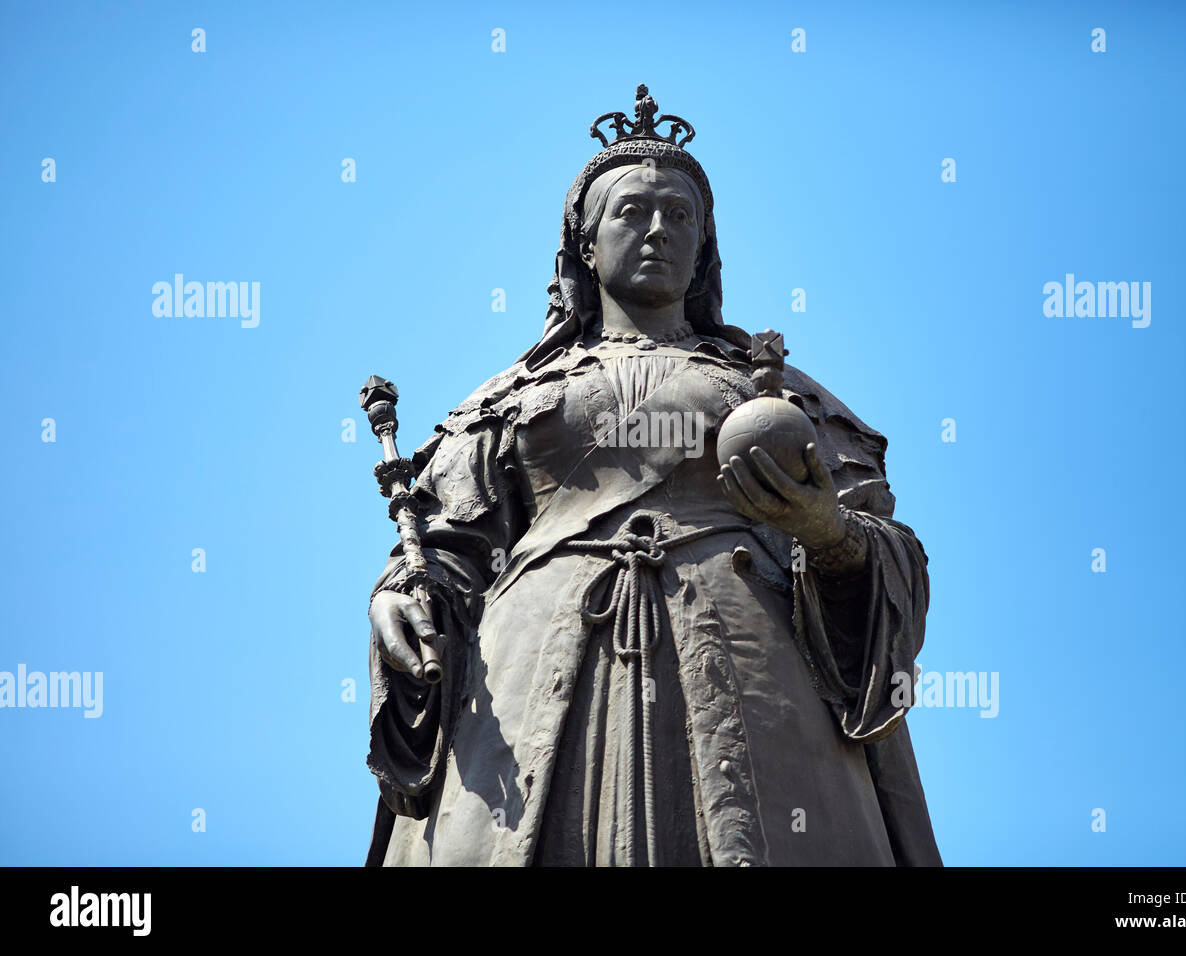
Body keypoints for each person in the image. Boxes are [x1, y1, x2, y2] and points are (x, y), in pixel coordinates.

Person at [365, 86, 941, 866]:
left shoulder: (781, 393)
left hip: (748, 655)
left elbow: (886, 549)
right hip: (532, 663)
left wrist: (826, 533)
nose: (659, 229)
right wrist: (404, 594)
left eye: (681, 216)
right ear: (586, 243)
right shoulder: (511, 398)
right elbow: (447, 550)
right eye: (633, 212)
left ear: (705, 247)